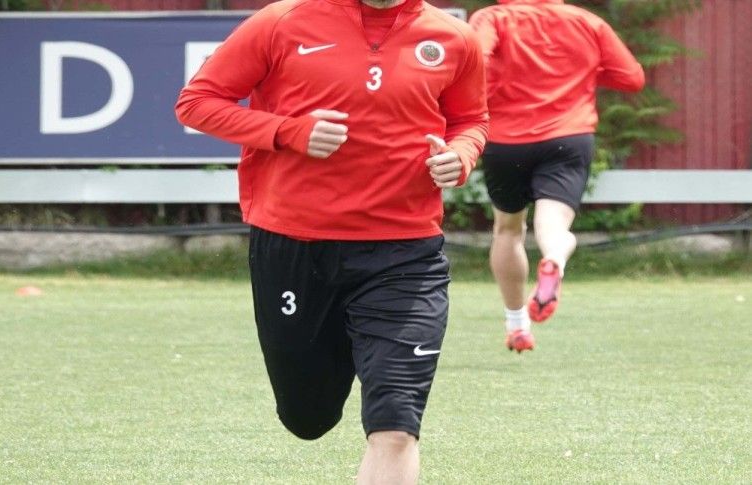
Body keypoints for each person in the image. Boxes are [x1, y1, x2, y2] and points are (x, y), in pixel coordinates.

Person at [175, 0, 488, 481]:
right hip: (295, 247)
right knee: (308, 417)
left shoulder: (454, 37)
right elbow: (196, 103)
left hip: (405, 253)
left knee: (396, 427)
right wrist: (288, 131)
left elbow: (471, 120)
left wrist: (461, 154)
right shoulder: (281, 21)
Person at [469, 0, 644, 353]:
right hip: (568, 137)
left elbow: (473, 64)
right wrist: (584, 74)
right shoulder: (587, 22)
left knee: (508, 229)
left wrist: (498, 87)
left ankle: (517, 326)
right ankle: (555, 260)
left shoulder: (492, 18)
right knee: (554, 227)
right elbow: (632, 78)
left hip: (506, 140)